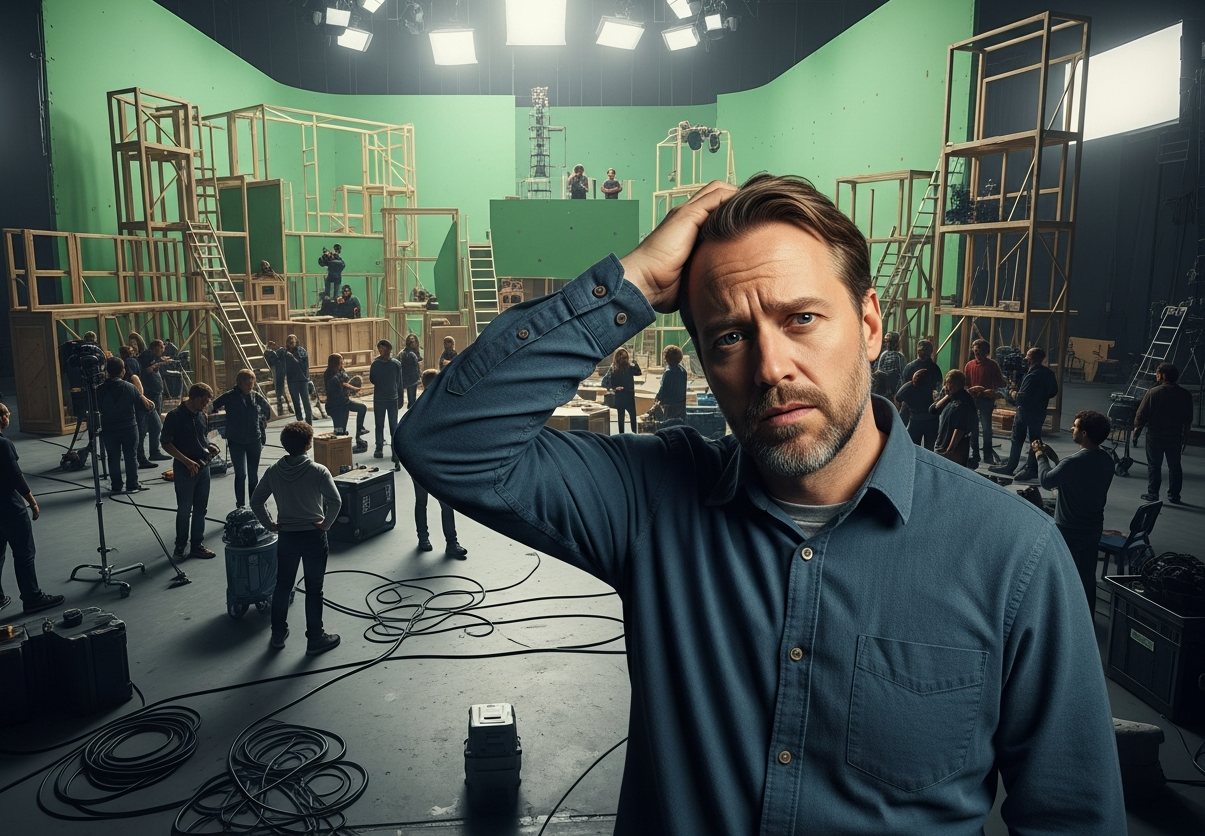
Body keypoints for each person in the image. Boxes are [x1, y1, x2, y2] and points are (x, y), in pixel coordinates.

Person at [396, 174, 1123, 835]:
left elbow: (1072, 819)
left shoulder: (1014, 557)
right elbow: (445, 442)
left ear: (870, 325)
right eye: (730, 337)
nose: (771, 367)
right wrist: (632, 283)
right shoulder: (652, 501)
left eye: (801, 319)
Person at [250, 421, 342, 656]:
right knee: (314, 589)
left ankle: (278, 634)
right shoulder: (318, 471)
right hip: (313, 535)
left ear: (284, 445)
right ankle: (315, 638)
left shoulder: (273, 471)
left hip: (287, 536)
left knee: (283, 585)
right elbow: (336, 501)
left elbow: (256, 501)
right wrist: (326, 524)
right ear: (309, 444)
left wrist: (269, 524)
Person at [0, 402, 64, 617]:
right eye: (7, 414)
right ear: (1, 418)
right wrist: (32, 501)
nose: (9, 416)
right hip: (10, 508)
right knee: (24, 553)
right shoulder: (3, 444)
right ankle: (32, 598)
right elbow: (15, 476)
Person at [1035, 411, 1116, 618]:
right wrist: (1055, 458)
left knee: (1063, 576)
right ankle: (1087, 617)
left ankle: (1062, 619)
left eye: (1075, 426)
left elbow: (1047, 481)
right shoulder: (1107, 460)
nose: (1071, 428)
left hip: (1069, 529)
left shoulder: (1073, 462)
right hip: (1093, 527)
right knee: (1087, 576)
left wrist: (1040, 456)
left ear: (1085, 433)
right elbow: (1076, 478)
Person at [406, 369, 467, 558]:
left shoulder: (440, 404)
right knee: (424, 502)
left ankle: (447, 542)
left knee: (440, 503)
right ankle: (430, 539)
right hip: (423, 462)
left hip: (434, 461)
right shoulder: (420, 407)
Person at [160, 382, 218, 561]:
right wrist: (185, 461)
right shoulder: (175, 416)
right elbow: (166, 443)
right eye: (204, 401)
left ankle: (197, 545)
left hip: (203, 467)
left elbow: (201, 438)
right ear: (195, 398)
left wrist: (209, 447)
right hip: (185, 469)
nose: (206, 404)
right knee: (184, 509)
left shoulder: (202, 415)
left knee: (201, 508)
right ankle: (180, 546)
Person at [989, 347, 1056, 483]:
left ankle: (1019, 467)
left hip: (1025, 412)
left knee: (1018, 439)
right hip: (1039, 411)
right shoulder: (1049, 373)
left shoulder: (1032, 376)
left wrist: (1012, 393)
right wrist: (1040, 398)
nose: (1025, 358)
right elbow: (1054, 391)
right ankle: (1030, 467)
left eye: (1028, 356)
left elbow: (1021, 398)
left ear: (1033, 359)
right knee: (1035, 439)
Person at [1133, 361, 1194, 503]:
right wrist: (1185, 435)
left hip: (1155, 435)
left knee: (1154, 465)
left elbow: (1141, 415)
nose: (1156, 375)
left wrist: (1137, 431)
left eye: (1158, 373)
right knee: (1175, 465)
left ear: (1164, 375)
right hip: (1175, 435)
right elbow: (1188, 418)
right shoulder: (1185, 394)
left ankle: (1153, 493)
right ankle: (1174, 495)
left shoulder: (1153, 393)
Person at [212, 370, 273, 509]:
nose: (250, 386)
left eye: (252, 383)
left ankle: (254, 503)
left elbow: (266, 410)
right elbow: (213, 406)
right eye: (247, 383)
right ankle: (240, 504)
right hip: (236, 440)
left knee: (253, 474)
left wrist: (263, 419)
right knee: (240, 474)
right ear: (240, 383)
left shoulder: (255, 396)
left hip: (254, 438)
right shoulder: (230, 396)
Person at [96, 357, 151, 496]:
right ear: (123, 371)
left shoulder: (99, 389)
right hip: (129, 427)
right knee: (131, 456)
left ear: (107, 371)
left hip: (109, 428)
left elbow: (97, 408)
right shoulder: (130, 387)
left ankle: (116, 485)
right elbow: (142, 407)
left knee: (113, 456)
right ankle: (132, 484)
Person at [964, 339, 1006, 465]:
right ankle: (975, 455)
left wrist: (992, 391)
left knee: (987, 428)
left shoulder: (992, 365)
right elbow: (966, 384)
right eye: (976, 351)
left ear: (986, 352)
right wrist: (971, 390)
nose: (978, 354)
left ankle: (988, 456)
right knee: (973, 428)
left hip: (986, 400)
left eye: (981, 351)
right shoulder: (969, 365)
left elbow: (1000, 383)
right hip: (972, 400)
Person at [118, 346, 158, 469]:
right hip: (140, 404)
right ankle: (142, 458)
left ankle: (141, 457)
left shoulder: (124, 363)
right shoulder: (132, 363)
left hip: (132, 404)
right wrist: (144, 399)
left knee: (142, 431)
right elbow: (136, 381)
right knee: (142, 431)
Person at [930, 369, 978, 466]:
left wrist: (949, 451)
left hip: (954, 452)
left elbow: (960, 428)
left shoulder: (965, 400)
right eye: (947, 382)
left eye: (951, 383)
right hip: (941, 445)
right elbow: (933, 410)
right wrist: (947, 396)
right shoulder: (950, 397)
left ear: (959, 384)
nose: (948, 386)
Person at [322, 354, 368, 452]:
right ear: (335, 363)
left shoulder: (341, 370)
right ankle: (339, 450)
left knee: (362, 408)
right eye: (340, 362)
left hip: (344, 402)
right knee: (340, 430)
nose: (342, 363)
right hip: (335, 405)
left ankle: (359, 431)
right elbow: (342, 383)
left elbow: (346, 379)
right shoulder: (329, 374)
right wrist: (354, 388)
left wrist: (351, 388)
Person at [137, 339, 173, 461]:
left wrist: (161, 360)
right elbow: (148, 369)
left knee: (156, 425)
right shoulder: (146, 356)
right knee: (153, 425)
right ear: (155, 347)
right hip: (150, 394)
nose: (163, 350)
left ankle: (154, 451)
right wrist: (160, 363)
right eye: (161, 347)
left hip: (156, 393)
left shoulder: (152, 356)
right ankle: (148, 453)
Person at [369, 339, 403, 460]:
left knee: (394, 425)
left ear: (388, 349)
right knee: (379, 424)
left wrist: (400, 397)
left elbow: (399, 382)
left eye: (382, 349)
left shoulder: (396, 364)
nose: (380, 351)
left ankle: (395, 449)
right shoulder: (375, 364)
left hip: (392, 398)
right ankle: (379, 447)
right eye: (379, 349)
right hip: (379, 398)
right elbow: (372, 379)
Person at [894, 368, 937, 450]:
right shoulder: (931, 386)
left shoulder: (910, 387)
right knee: (930, 448)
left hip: (916, 419)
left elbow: (898, 397)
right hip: (932, 420)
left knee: (913, 447)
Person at [603, 347, 641, 434]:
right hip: (629, 395)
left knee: (621, 417)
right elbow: (638, 372)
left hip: (619, 395)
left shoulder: (613, 368)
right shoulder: (629, 367)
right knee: (632, 416)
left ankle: (621, 434)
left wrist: (613, 388)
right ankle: (634, 433)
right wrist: (635, 362)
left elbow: (604, 382)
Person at [654, 344, 687, 426]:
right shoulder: (683, 371)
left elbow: (663, 391)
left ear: (667, 358)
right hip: (681, 406)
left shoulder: (668, 373)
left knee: (669, 426)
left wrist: (657, 399)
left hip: (670, 407)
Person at [283, 334, 313, 425]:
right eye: (290, 342)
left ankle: (309, 422)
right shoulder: (285, 352)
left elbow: (303, 364)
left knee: (306, 402)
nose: (292, 343)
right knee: (296, 402)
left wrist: (292, 357)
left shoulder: (301, 350)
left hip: (302, 379)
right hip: (292, 380)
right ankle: (299, 421)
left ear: (296, 342)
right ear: (287, 343)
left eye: (293, 341)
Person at [873, 331, 906, 397]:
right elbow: (879, 371)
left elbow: (903, 374)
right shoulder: (897, 356)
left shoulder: (899, 356)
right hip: (886, 388)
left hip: (892, 388)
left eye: (888, 342)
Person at [264, 340, 290, 416]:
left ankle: (286, 407)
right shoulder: (268, 353)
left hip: (281, 371)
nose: (273, 347)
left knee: (282, 389)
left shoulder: (280, 352)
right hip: (276, 371)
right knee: (279, 389)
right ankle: (280, 409)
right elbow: (272, 360)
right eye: (272, 345)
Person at [399, 333, 422, 407]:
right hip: (409, 378)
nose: (412, 343)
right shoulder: (406, 354)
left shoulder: (415, 353)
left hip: (411, 378)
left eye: (413, 342)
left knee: (412, 401)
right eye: (410, 342)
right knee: (411, 401)